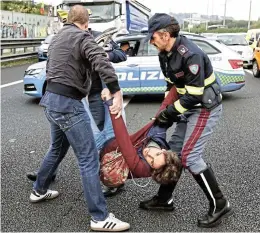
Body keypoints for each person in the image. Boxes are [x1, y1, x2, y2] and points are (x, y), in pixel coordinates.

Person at [28, 5, 130, 232]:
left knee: (57, 149)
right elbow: (101, 62)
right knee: (88, 158)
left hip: (51, 101)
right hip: (68, 105)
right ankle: (99, 217)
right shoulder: (83, 36)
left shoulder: (56, 38)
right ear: (86, 22)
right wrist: (115, 90)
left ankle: (39, 190)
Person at [139, 13, 233, 228]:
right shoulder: (165, 53)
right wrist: (165, 110)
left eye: (152, 38)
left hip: (204, 108)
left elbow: (195, 95)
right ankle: (164, 199)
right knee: (174, 152)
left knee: (190, 156)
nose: (151, 42)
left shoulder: (190, 55)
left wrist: (169, 113)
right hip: (188, 107)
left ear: (164, 35)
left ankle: (220, 204)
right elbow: (170, 86)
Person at [26, 34, 127, 188]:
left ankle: (112, 178)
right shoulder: (65, 37)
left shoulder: (100, 35)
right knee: (59, 140)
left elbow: (121, 54)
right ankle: (47, 173)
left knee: (100, 139)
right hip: (72, 96)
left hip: (96, 95)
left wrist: (105, 54)